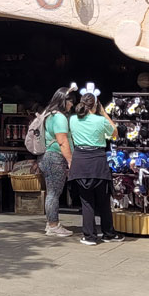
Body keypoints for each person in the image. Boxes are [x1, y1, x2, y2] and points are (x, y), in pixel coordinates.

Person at [68, 87, 123, 245]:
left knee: (87, 201)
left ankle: (89, 236)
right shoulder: (100, 120)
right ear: (96, 105)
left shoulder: (72, 119)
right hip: (98, 161)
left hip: (80, 161)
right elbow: (115, 132)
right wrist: (104, 113)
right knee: (104, 200)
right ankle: (108, 233)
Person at [40, 86, 78, 237]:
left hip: (47, 157)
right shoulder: (60, 117)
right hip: (55, 157)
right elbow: (62, 142)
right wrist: (70, 161)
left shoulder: (49, 114)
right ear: (64, 101)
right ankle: (53, 225)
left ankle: (51, 223)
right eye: (70, 101)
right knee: (54, 193)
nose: (72, 105)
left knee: (52, 192)